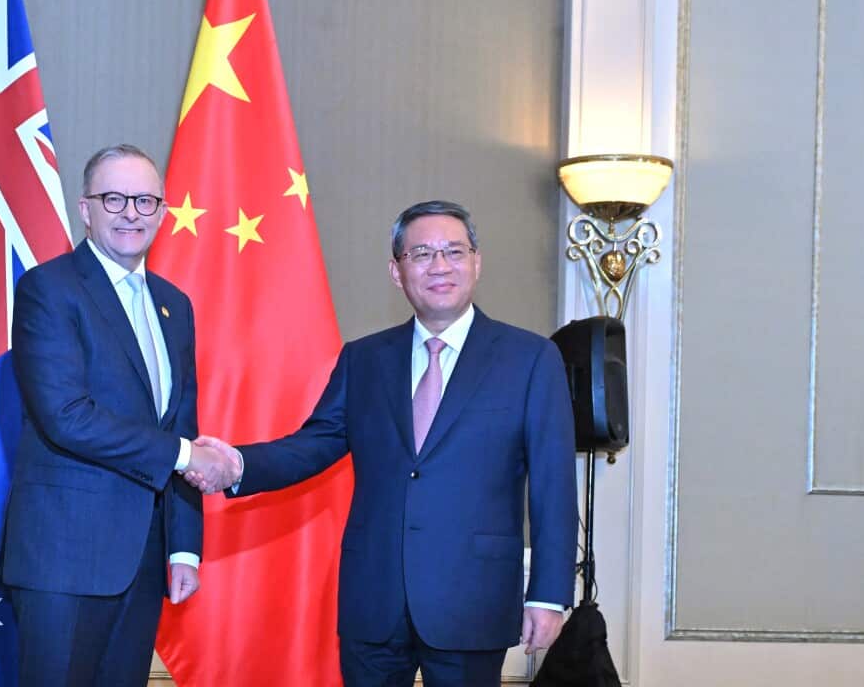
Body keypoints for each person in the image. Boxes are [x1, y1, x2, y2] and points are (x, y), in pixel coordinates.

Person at [189, 200, 578, 687]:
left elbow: (553, 488)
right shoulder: (364, 359)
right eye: (421, 254)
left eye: (453, 251)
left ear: (476, 262)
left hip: (471, 601)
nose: (439, 266)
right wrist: (237, 464)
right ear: (397, 272)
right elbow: (314, 444)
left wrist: (548, 594)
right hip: (374, 602)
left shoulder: (531, 358)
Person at [2, 144, 240, 686]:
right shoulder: (49, 289)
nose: (131, 212)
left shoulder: (173, 304)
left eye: (145, 200)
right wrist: (186, 456)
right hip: (63, 561)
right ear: (85, 209)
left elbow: (180, 423)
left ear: (161, 211)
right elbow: (66, 416)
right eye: (114, 198)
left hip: (143, 560)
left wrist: (183, 547)